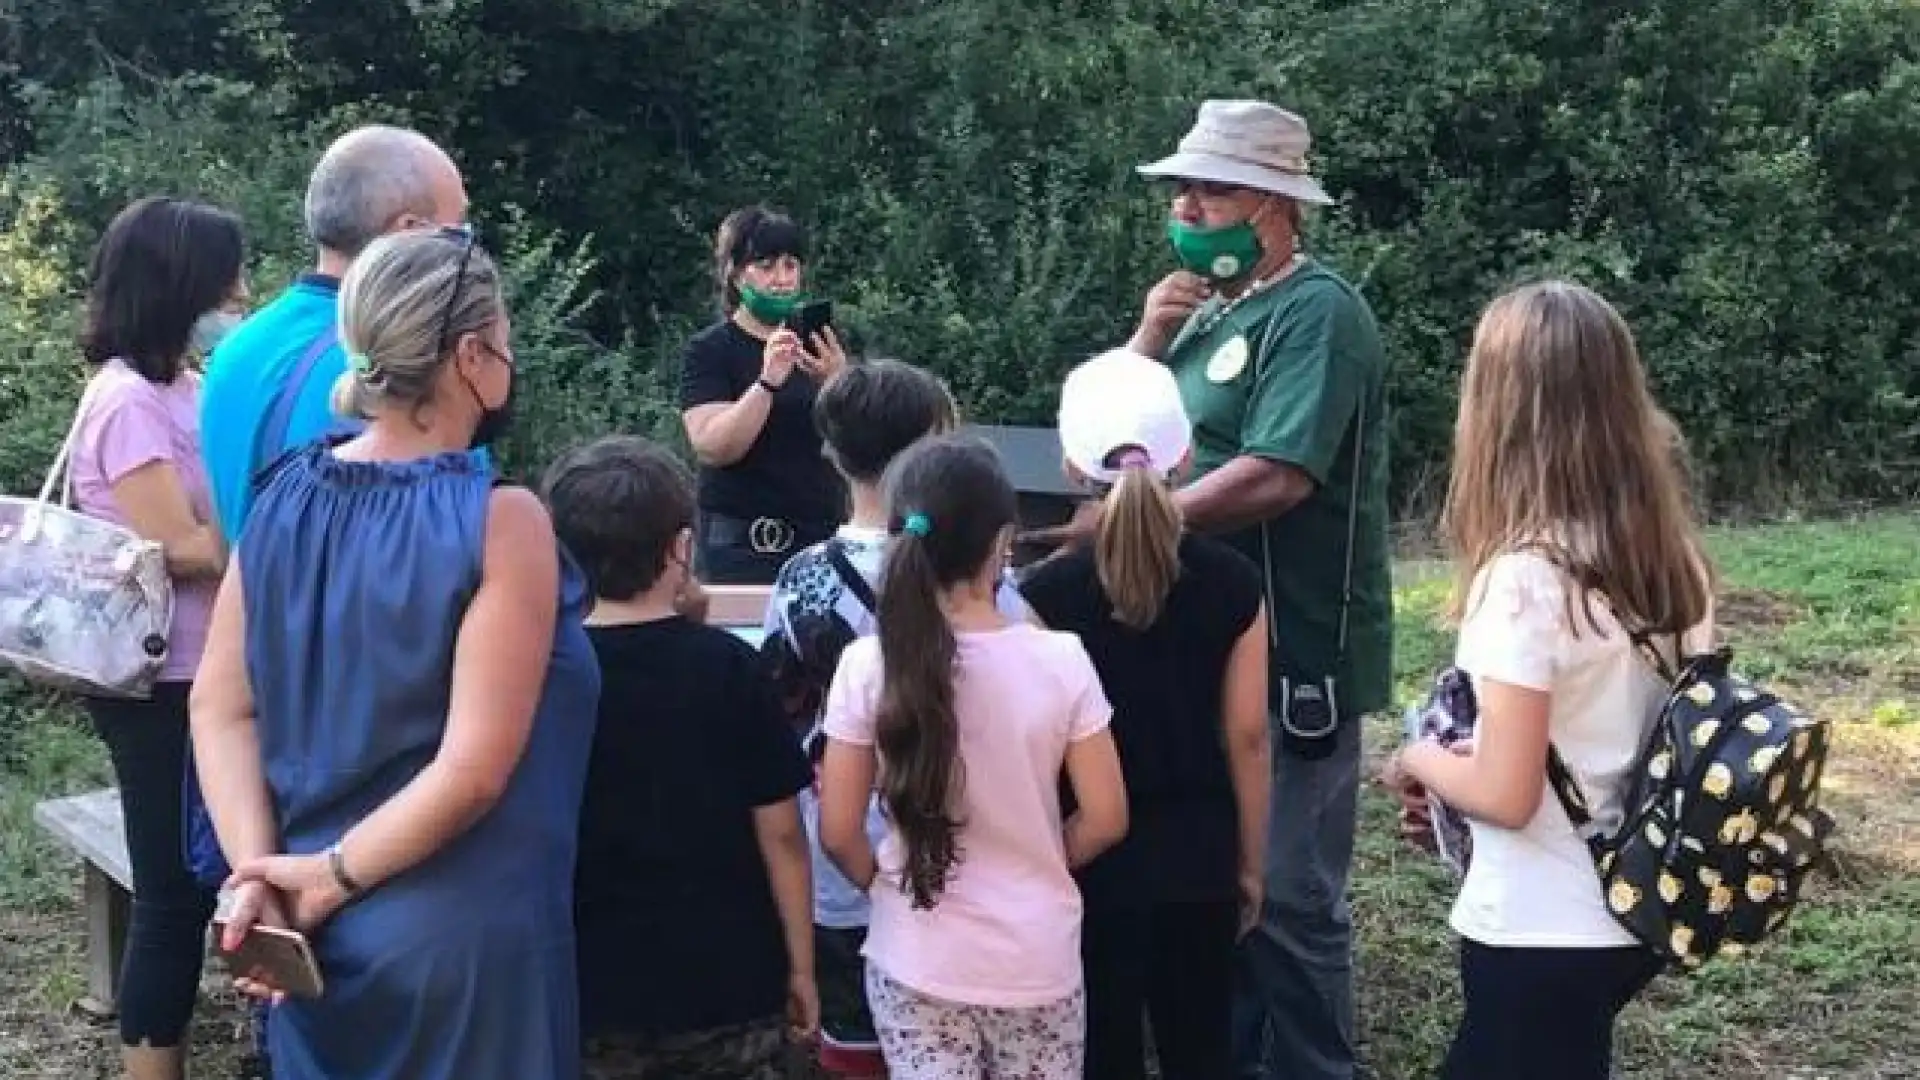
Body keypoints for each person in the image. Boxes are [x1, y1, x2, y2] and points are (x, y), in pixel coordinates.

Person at [1033, 99, 1393, 1080]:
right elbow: (1112, 432)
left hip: (1294, 650)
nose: (1188, 207)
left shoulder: (1318, 313)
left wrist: (1131, 526)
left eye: (1211, 188)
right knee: (1210, 887)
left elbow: (1278, 473)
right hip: (1194, 649)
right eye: (1180, 190)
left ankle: (1318, 1067)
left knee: (1284, 897)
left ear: (1277, 204)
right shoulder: (1203, 310)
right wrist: (1147, 337)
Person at [189, 228, 600, 1080]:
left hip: (308, 948)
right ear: (470, 355)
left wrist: (259, 876)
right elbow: (473, 770)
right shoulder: (502, 518)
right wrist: (323, 879)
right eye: (508, 342)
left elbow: (221, 706)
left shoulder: (280, 500)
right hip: (461, 952)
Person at [1380, 282, 1715, 1080]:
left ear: (1497, 409)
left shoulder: (1526, 579)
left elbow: (1505, 792)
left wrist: (1416, 760)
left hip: (1538, 925)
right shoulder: (1669, 562)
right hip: (1630, 910)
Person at [816, 434, 1129, 1080]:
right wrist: (1040, 859)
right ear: (1003, 542)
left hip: (915, 957)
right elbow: (1106, 818)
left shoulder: (867, 666)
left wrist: (886, 884)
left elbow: (839, 830)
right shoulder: (1061, 659)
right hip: (1035, 959)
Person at [759, 358, 1029, 1078]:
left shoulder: (801, 582)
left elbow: (779, 723)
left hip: (843, 866)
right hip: (970, 860)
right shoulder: (988, 578)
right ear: (934, 446)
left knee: (857, 1049)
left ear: (830, 452)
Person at [1018, 348, 1271, 1080]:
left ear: (1070, 466)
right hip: (1201, 856)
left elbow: (1041, 747)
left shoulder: (1044, 594)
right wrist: (1252, 863)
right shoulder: (1235, 581)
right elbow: (1248, 736)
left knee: (1104, 1055)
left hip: (1091, 860)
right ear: (1185, 457)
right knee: (1201, 1051)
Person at [543, 435, 818, 1079]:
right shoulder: (728, 669)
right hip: (729, 984)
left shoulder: (544, 674)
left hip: (590, 985)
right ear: (681, 548)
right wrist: (801, 964)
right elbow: (781, 832)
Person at [64, 195, 245, 1080]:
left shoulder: (186, 384)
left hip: (205, 669)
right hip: (160, 678)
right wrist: (279, 529)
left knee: (205, 877)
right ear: (180, 286)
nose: (238, 293)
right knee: (172, 895)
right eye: (226, 278)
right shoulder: (128, 401)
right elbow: (177, 546)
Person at [200, 123, 470, 541]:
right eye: (459, 228)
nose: (467, 249)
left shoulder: (236, 348)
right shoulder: (397, 362)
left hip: (248, 603)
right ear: (409, 232)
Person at [679, 205, 849, 584]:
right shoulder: (711, 350)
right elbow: (713, 447)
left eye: (791, 266)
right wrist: (767, 382)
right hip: (742, 547)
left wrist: (839, 384)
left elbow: (862, 448)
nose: (781, 279)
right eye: (767, 265)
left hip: (819, 540)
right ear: (737, 275)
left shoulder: (821, 343)